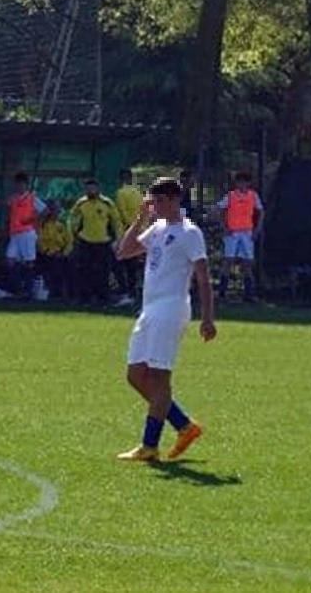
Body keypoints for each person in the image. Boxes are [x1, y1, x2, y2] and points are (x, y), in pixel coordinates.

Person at [112, 177, 216, 462]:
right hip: (150, 309)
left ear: (173, 200)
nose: (154, 206)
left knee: (159, 377)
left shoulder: (189, 232)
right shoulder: (157, 228)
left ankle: (149, 445)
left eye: (159, 201)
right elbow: (124, 251)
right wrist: (140, 219)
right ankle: (184, 425)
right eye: (152, 201)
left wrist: (208, 318)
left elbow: (203, 277)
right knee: (135, 375)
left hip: (171, 309)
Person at [70, 178, 123, 306]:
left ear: (98, 189)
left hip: (102, 241)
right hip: (85, 241)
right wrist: (74, 233)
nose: (90, 191)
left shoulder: (107, 203)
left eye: (93, 188)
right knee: (83, 271)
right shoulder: (81, 203)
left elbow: (116, 222)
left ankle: (103, 298)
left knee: (103, 271)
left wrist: (119, 239)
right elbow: (73, 219)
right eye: (88, 188)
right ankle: (84, 298)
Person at [214, 171, 263, 303]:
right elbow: (218, 209)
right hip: (232, 232)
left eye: (244, 182)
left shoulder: (253, 196)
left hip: (247, 232)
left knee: (248, 262)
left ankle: (249, 294)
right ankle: (222, 293)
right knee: (228, 260)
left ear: (248, 183)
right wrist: (224, 227)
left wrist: (257, 229)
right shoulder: (231, 196)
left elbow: (261, 211)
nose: (242, 184)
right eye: (239, 182)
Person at [4, 173, 47, 298]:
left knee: (29, 261)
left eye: (22, 184)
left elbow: (45, 211)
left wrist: (31, 220)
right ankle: (19, 288)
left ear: (26, 185)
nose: (19, 186)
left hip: (27, 233)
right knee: (10, 260)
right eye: (17, 184)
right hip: (15, 234)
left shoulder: (32, 198)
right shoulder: (13, 198)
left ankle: (29, 290)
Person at [114, 169, 143, 302]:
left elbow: (122, 212)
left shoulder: (121, 193)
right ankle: (132, 292)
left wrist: (130, 228)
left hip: (126, 232)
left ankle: (125, 293)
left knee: (120, 263)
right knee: (133, 264)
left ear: (121, 179)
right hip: (139, 231)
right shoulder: (138, 193)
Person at [36, 200, 74, 301]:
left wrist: (64, 253)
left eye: (58, 209)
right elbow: (40, 241)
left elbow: (69, 241)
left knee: (71, 263)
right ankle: (54, 293)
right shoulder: (42, 225)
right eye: (53, 209)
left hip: (61, 253)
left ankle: (70, 294)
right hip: (47, 254)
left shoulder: (62, 224)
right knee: (55, 264)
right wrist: (48, 252)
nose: (56, 211)